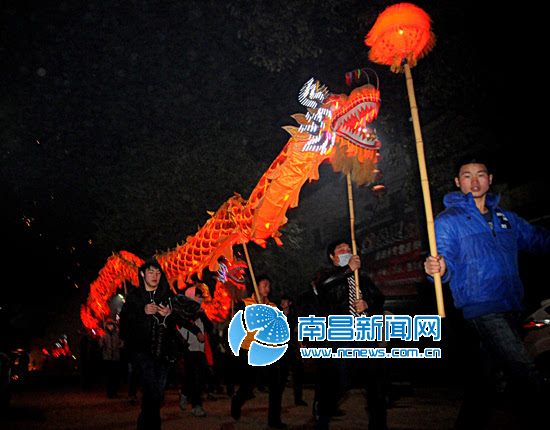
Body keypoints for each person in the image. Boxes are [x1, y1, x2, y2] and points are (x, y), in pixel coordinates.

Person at [424, 157, 550, 428]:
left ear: (490, 179)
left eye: (480, 175)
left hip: (513, 304)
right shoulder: (447, 221)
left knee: (490, 382)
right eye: (467, 176)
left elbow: (539, 240)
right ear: (458, 182)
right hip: (482, 306)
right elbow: (443, 262)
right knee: (525, 373)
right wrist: (438, 267)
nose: (475, 181)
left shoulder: (506, 218)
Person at [312, 239, 387, 430]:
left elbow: (379, 298)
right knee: (339, 385)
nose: (346, 252)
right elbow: (323, 288)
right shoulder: (327, 276)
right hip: (341, 339)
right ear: (332, 256)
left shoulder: (362, 277)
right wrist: (346, 271)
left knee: (376, 386)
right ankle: (322, 418)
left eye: (349, 249)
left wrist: (368, 304)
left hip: (365, 338)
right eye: (341, 250)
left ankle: (378, 425)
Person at [119, 259, 198, 430]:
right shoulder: (135, 297)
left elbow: (183, 317)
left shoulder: (167, 295)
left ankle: (144, 421)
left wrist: (169, 314)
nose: (155, 276)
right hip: (142, 352)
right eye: (151, 272)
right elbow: (124, 325)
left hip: (164, 352)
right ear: (142, 274)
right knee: (152, 390)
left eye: (158, 272)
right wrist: (142, 312)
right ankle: (154, 426)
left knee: (157, 394)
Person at [231, 275, 289, 429]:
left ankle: (274, 420)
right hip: (249, 351)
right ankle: (237, 401)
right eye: (265, 285)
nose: (268, 289)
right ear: (256, 287)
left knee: (276, 385)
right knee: (248, 386)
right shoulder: (244, 304)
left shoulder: (273, 306)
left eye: (269, 285)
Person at [178, 286, 213, 417]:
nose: (200, 299)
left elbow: (209, 327)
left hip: (200, 349)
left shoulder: (201, 312)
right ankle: (193, 401)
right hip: (189, 349)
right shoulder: (183, 312)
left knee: (199, 377)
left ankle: (190, 398)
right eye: (198, 296)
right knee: (193, 377)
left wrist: (202, 314)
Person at [280, 294, 307, 407]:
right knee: (281, 375)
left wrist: (301, 345)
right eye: (282, 300)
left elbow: (298, 332)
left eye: (285, 300)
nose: (283, 302)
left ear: (290, 303)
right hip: (280, 348)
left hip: (291, 346)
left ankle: (298, 398)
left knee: (297, 373)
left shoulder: (294, 317)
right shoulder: (277, 315)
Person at [99, 318, 122, 398]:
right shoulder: (104, 335)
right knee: (108, 377)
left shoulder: (117, 334)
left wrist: (119, 346)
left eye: (111, 325)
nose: (110, 327)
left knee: (115, 376)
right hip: (107, 358)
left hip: (115, 358)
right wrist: (104, 342)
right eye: (108, 325)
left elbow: (121, 343)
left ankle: (115, 392)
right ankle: (109, 392)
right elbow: (100, 345)